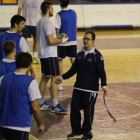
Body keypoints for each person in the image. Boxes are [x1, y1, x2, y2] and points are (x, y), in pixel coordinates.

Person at [56, 31, 107, 140]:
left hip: (90, 90)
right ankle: (76, 131)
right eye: (84, 38)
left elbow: (101, 72)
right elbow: (73, 69)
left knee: (88, 112)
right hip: (78, 88)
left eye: (88, 39)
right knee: (74, 109)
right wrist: (62, 78)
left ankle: (87, 133)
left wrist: (104, 85)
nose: (85, 41)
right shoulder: (79, 53)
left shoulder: (97, 56)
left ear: (93, 41)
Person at [0, 52, 44, 140]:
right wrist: (40, 124)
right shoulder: (31, 82)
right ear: (29, 65)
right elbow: (35, 108)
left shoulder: (3, 78)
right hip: (20, 126)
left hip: (3, 124)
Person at [36, 1, 68, 114]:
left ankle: (40, 102)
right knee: (55, 78)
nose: (53, 10)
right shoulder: (48, 23)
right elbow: (50, 41)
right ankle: (55, 105)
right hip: (50, 55)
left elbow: (45, 38)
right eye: (52, 8)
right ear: (48, 10)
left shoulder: (39, 22)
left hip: (43, 54)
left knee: (45, 77)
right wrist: (62, 40)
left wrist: (58, 37)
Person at [55, 0, 77, 90]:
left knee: (60, 61)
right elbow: (76, 27)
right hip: (73, 40)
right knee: (74, 63)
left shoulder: (59, 14)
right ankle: (80, 81)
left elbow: (57, 30)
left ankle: (59, 84)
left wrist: (56, 40)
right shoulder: (74, 13)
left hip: (62, 42)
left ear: (60, 3)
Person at [17, 0, 44, 64]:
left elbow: (42, 12)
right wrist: (18, 20)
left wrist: (43, 21)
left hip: (36, 23)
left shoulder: (41, 0)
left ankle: (34, 57)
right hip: (25, 23)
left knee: (36, 40)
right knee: (24, 40)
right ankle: (25, 56)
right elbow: (19, 8)